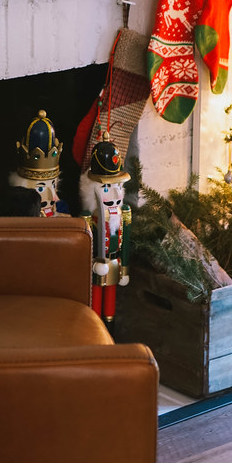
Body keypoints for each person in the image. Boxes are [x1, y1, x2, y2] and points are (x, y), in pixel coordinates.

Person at [79, 132, 131, 328]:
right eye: (108, 188)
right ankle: (94, 324)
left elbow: (124, 242)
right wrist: (91, 265)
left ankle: (109, 322)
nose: (117, 194)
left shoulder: (123, 214)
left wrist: (125, 269)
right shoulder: (87, 218)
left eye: (118, 186)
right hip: (95, 265)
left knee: (110, 297)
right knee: (96, 296)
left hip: (114, 261)